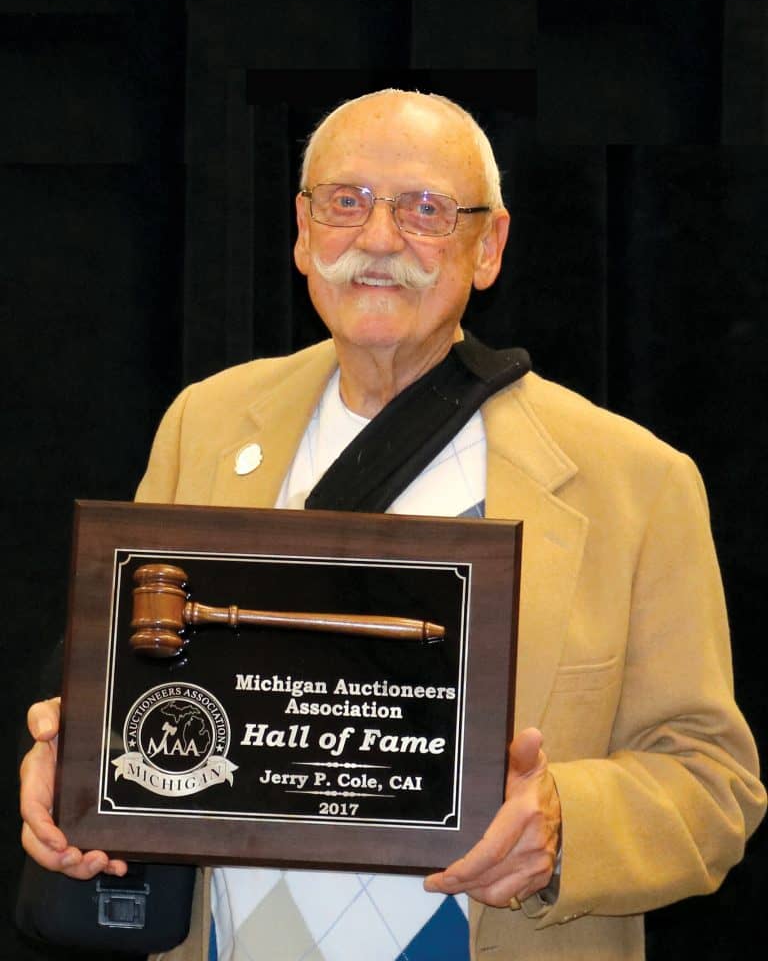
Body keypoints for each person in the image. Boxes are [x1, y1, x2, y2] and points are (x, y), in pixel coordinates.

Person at [19, 89, 766, 961]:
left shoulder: (634, 481)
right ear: (302, 231)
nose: (378, 240)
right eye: (346, 202)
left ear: (487, 248)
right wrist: (72, 763)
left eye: (426, 211)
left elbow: (714, 785)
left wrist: (566, 826)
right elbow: (124, 689)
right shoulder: (210, 425)